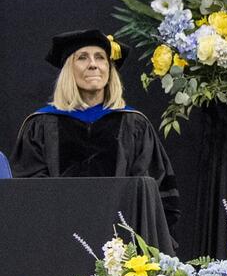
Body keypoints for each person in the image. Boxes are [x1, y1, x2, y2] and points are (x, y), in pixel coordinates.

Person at [11, 29, 180, 229]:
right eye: (82, 57)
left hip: (123, 245)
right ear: (68, 70)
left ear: (109, 68)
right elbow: (28, 197)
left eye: (100, 57)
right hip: (57, 239)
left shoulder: (134, 124)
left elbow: (154, 194)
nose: (93, 64)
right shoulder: (40, 125)